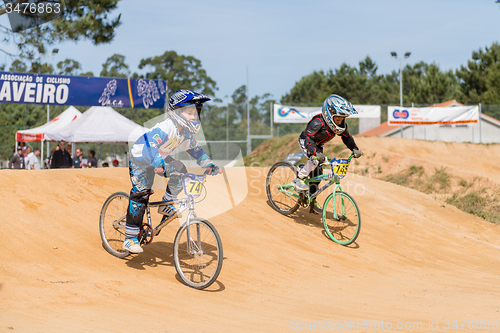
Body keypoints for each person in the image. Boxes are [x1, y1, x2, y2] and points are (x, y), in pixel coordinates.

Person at [123, 89, 220, 253]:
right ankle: (129, 238)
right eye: (190, 113)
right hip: (141, 158)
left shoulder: (186, 134)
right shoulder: (166, 127)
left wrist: (208, 164)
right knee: (141, 194)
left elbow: (196, 151)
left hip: (160, 157)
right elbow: (150, 146)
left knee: (181, 169)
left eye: (196, 113)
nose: (194, 117)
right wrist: (157, 162)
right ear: (177, 112)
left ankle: (167, 202)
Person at [292, 94, 363, 214]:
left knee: (317, 174)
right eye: (338, 119)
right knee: (315, 161)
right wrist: (316, 153)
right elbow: (309, 141)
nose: (340, 122)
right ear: (329, 115)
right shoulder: (317, 123)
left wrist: (354, 149)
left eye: (342, 119)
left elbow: (347, 138)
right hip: (306, 142)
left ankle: (311, 200)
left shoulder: (340, 126)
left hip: (318, 145)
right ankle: (299, 177)